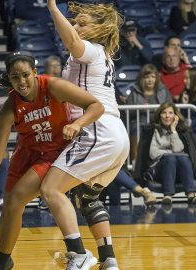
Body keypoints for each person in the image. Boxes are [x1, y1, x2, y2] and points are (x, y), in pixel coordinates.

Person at [0, 51, 104, 270]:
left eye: (25, 75)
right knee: (9, 208)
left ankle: (78, 251)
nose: (21, 81)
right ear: (10, 78)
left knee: (16, 198)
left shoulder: (52, 86)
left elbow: (96, 106)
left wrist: (77, 124)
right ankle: (4, 261)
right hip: (27, 153)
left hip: (54, 152)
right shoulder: (9, 108)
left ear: (34, 72)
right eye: (15, 77)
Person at [41, 1, 129, 270]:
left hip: (98, 131)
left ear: (99, 28)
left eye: (82, 23)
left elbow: (71, 41)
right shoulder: (102, 56)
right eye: (75, 21)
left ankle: (78, 253)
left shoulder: (89, 51)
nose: (76, 27)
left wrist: (53, 8)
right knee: (87, 198)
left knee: (50, 189)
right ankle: (109, 259)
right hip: (115, 134)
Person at [148, 102, 196, 205]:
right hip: (159, 171)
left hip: (179, 171)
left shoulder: (181, 131)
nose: (167, 116)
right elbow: (153, 153)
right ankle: (168, 195)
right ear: (159, 115)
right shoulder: (154, 130)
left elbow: (178, 149)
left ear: (175, 116)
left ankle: (191, 194)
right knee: (170, 159)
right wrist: (169, 154)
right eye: (164, 113)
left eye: (170, 113)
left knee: (183, 158)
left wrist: (173, 130)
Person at [124, 64, 172, 160]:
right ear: (142, 78)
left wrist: (160, 110)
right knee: (135, 127)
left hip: (159, 122)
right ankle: (135, 161)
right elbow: (128, 111)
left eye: (153, 77)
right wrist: (140, 108)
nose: (150, 80)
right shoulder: (135, 91)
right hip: (140, 122)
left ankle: (163, 159)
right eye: (147, 77)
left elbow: (170, 106)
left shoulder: (163, 90)